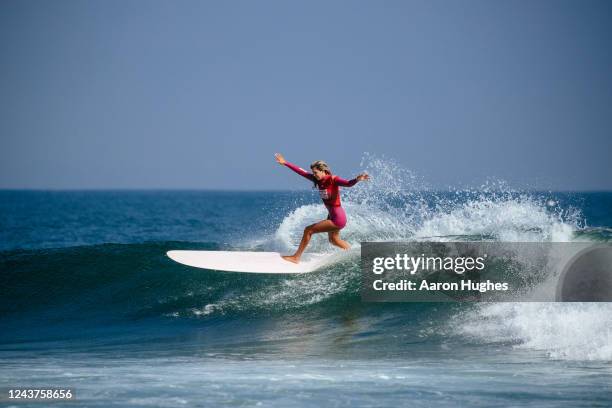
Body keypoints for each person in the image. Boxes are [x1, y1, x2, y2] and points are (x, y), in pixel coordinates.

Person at [275, 153, 370, 264]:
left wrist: (357, 179)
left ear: (323, 170)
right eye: (313, 173)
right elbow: (301, 172)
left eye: (316, 172)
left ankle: (296, 258)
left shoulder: (333, 179)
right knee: (333, 240)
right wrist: (285, 163)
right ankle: (356, 254)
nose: (314, 175)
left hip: (338, 218)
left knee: (308, 230)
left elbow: (348, 184)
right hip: (332, 215)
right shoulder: (317, 180)